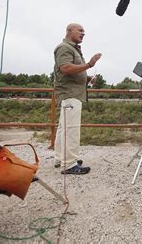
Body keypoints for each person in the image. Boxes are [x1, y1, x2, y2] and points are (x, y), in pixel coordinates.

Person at [53, 23, 102, 175]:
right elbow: (65, 68)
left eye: (84, 31)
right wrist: (89, 64)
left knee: (63, 128)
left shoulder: (72, 49)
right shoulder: (65, 47)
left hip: (71, 94)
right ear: (69, 31)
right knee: (71, 129)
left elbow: (73, 72)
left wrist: (87, 79)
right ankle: (69, 164)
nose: (83, 33)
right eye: (80, 30)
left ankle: (61, 158)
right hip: (70, 94)